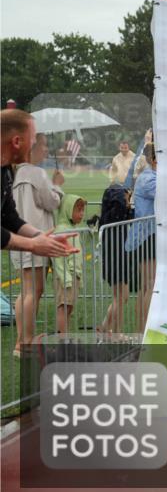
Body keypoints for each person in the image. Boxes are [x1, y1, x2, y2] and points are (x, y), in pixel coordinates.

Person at [11, 133, 65, 355]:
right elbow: (51, 202)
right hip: (36, 239)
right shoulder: (35, 173)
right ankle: (25, 342)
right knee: (34, 289)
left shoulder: (17, 173)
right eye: (43, 146)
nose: (46, 150)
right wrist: (58, 185)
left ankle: (21, 340)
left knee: (26, 290)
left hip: (20, 238)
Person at [1, 109, 76, 258]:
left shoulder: (6, 170)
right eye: (33, 139)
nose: (34, 143)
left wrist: (42, 237)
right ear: (16, 141)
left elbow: (9, 217)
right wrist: (33, 244)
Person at [125, 143, 157, 332]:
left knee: (147, 286)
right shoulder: (149, 179)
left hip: (148, 236)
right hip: (146, 237)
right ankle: (143, 330)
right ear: (154, 159)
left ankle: (141, 330)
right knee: (150, 285)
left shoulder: (151, 176)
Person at [50, 195, 87, 335]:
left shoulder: (71, 228)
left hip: (73, 276)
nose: (82, 214)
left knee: (68, 308)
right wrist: (65, 277)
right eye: (78, 210)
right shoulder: (61, 230)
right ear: (67, 210)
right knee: (63, 307)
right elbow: (58, 258)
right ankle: (62, 339)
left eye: (83, 210)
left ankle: (65, 336)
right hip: (66, 277)